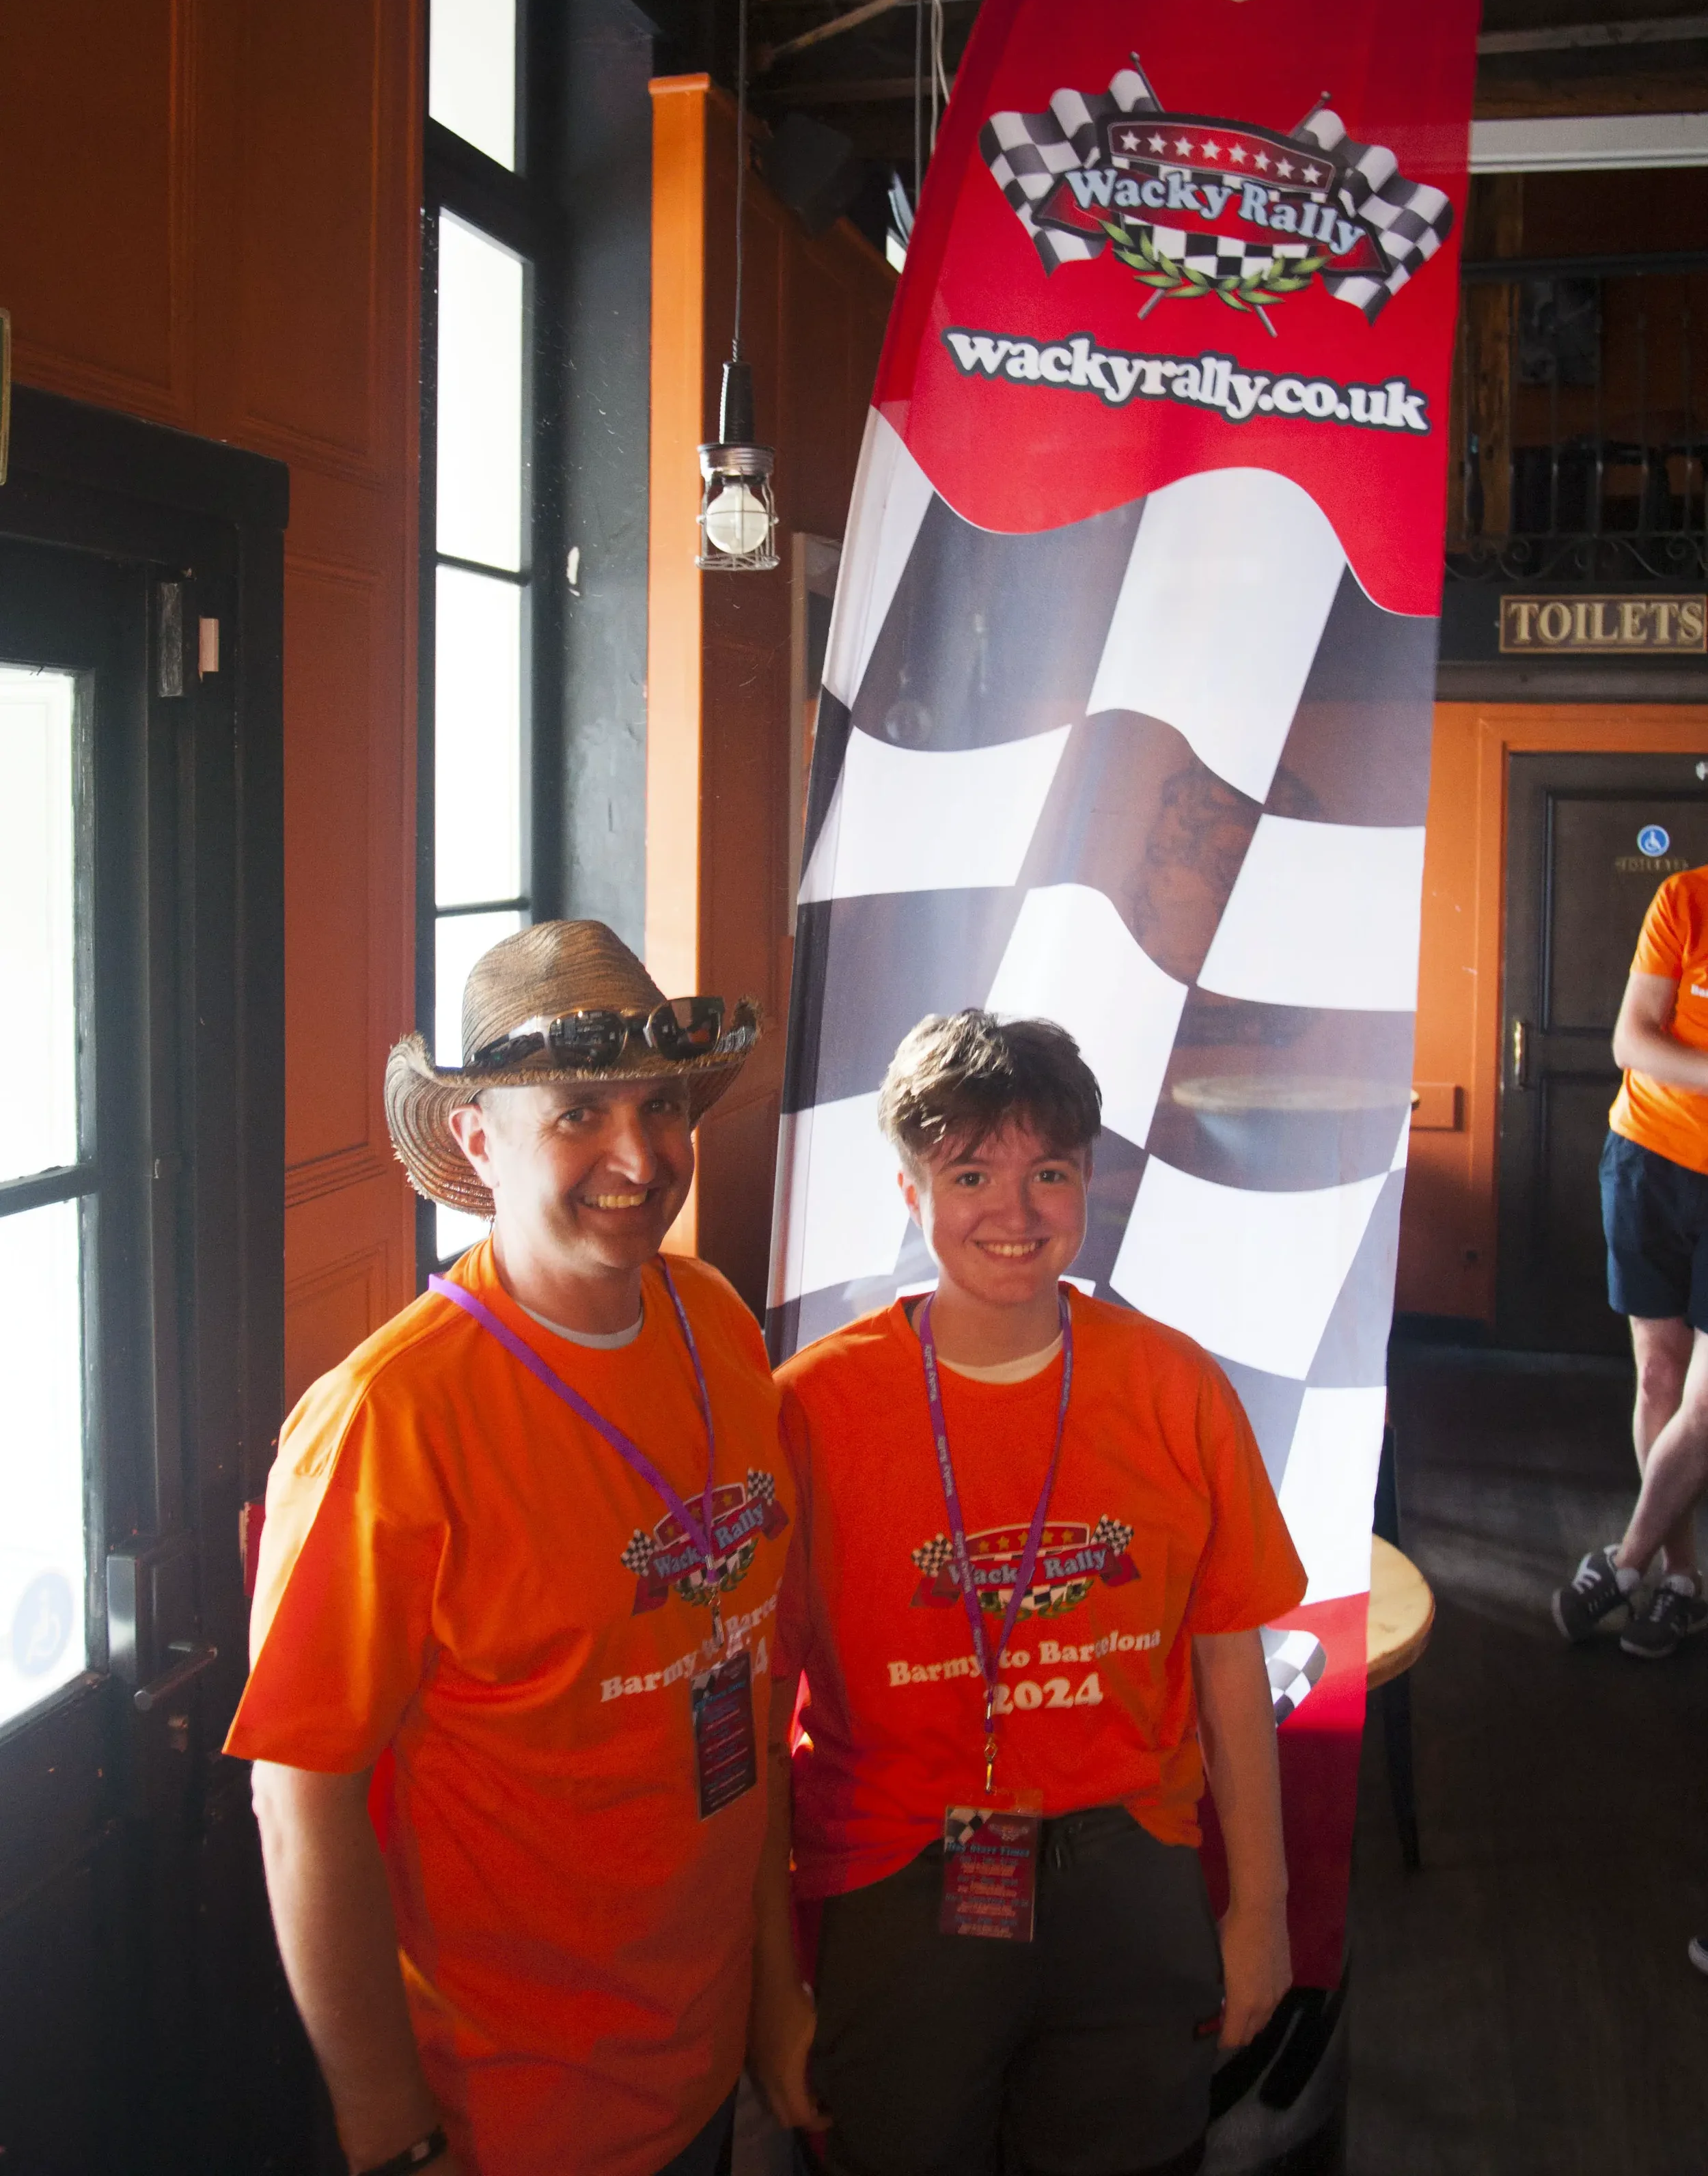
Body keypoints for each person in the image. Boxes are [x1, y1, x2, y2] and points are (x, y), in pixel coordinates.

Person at [226, 921, 792, 2176]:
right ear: (478, 1137)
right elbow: (298, 1800)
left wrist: (775, 1989)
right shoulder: (386, 1418)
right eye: (579, 1111)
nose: (639, 1155)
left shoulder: (714, 1320)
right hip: (507, 2115)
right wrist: (390, 2133)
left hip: (701, 2064)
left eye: (660, 1104)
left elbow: (741, 1690)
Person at [749, 1010, 1308, 2176]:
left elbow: (1227, 1658)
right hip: (898, 1871)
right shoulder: (813, 1410)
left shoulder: (1173, 1385)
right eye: (970, 1173)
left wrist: (1261, 1910)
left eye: (1048, 1169)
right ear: (912, 1193)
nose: (1015, 1209)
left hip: (1132, 1861)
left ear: (1089, 1180)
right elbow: (759, 1707)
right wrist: (768, 1983)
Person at [1553, 866, 1708, 1658]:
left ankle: (1623, 1561)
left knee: (1707, 1402)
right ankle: (1680, 1579)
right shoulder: (1686, 897)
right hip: (1649, 1157)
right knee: (1657, 1379)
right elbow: (1632, 1038)